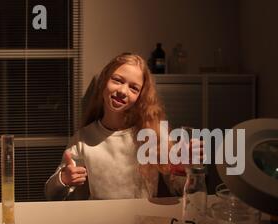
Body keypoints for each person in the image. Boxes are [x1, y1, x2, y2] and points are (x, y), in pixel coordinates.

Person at [45, 53, 199, 201]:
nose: (123, 91)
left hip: (143, 221)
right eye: (117, 80)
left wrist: (184, 168)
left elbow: (179, 190)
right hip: (100, 222)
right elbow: (51, 195)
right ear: (104, 81)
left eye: (134, 88)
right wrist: (63, 179)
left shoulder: (155, 134)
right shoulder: (83, 139)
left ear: (140, 96)